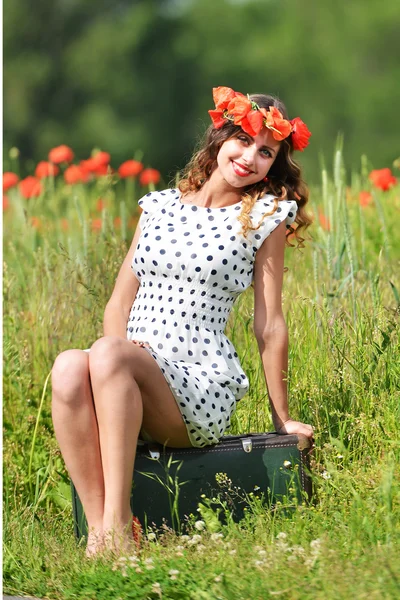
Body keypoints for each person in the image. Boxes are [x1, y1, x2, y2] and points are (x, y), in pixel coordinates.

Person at [51, 86, 314, 556]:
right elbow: (118, 302)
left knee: (106, 353)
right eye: (244, 140)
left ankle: (117, 526)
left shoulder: (266, 216)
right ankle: (100, 533)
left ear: (275, 163)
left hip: (197, 386)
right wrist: (117, 364)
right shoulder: (159, 207)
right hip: (132, 375)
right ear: (220, 137)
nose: (250, 158)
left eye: (266, 152)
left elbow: (269, 324)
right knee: (71, 365)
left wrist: (282, 420)